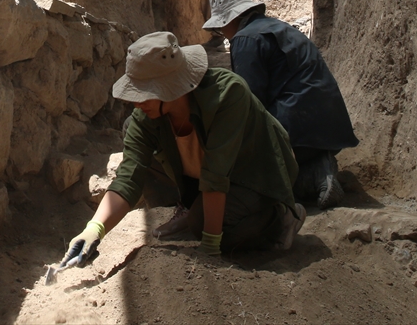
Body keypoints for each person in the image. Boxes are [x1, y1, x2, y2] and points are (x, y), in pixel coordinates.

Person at [62, 32, 305, 267]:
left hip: (254, 173)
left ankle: (282, 219)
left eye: (143, 92)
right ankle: (193, 211)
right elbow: (129, 177)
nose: (135, 101)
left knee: (206, 225)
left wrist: (210, 247)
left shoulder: (228, 94)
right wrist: (93, 230)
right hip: (210, 178)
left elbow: (216, 175)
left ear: (170, 87)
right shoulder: (147, 117)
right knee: (132, 132)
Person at [204, 0, 358, 208]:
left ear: (228, 20)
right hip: (329, 125)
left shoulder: (245, 39)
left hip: (296, 126)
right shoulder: (279, 27)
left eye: (220, 28)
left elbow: (249, 102)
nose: (223, 34)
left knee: (245, 178)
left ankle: (310, 178)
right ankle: (317, 164)